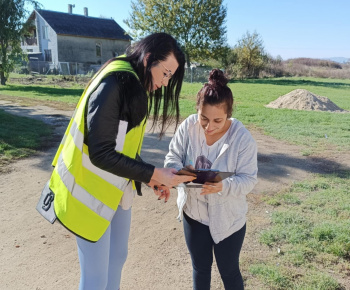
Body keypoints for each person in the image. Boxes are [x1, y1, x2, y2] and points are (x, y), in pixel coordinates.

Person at [48, 33, 194, 290]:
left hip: (113, 192)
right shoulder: (115, 82)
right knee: (95, 277)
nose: (165, 82)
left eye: (170, 77)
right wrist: (152, 174)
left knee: (116, 259)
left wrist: (150, 177)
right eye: (165, 73)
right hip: (87, 195)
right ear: (149, 59)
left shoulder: (131, 82)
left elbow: (121, 147)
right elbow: (101, 151)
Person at [164, 69, 258, 290]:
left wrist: (223, 186)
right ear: (197, 109)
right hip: (193, 214)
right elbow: (172, 157)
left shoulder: (243, 139)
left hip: (228, 219)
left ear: (229, 114)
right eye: (203, 118)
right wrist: (179, 171)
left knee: (229, 271)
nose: (209, 126)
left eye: (218, 120)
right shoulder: (188, 127)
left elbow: (249, 179)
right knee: (200, 269)